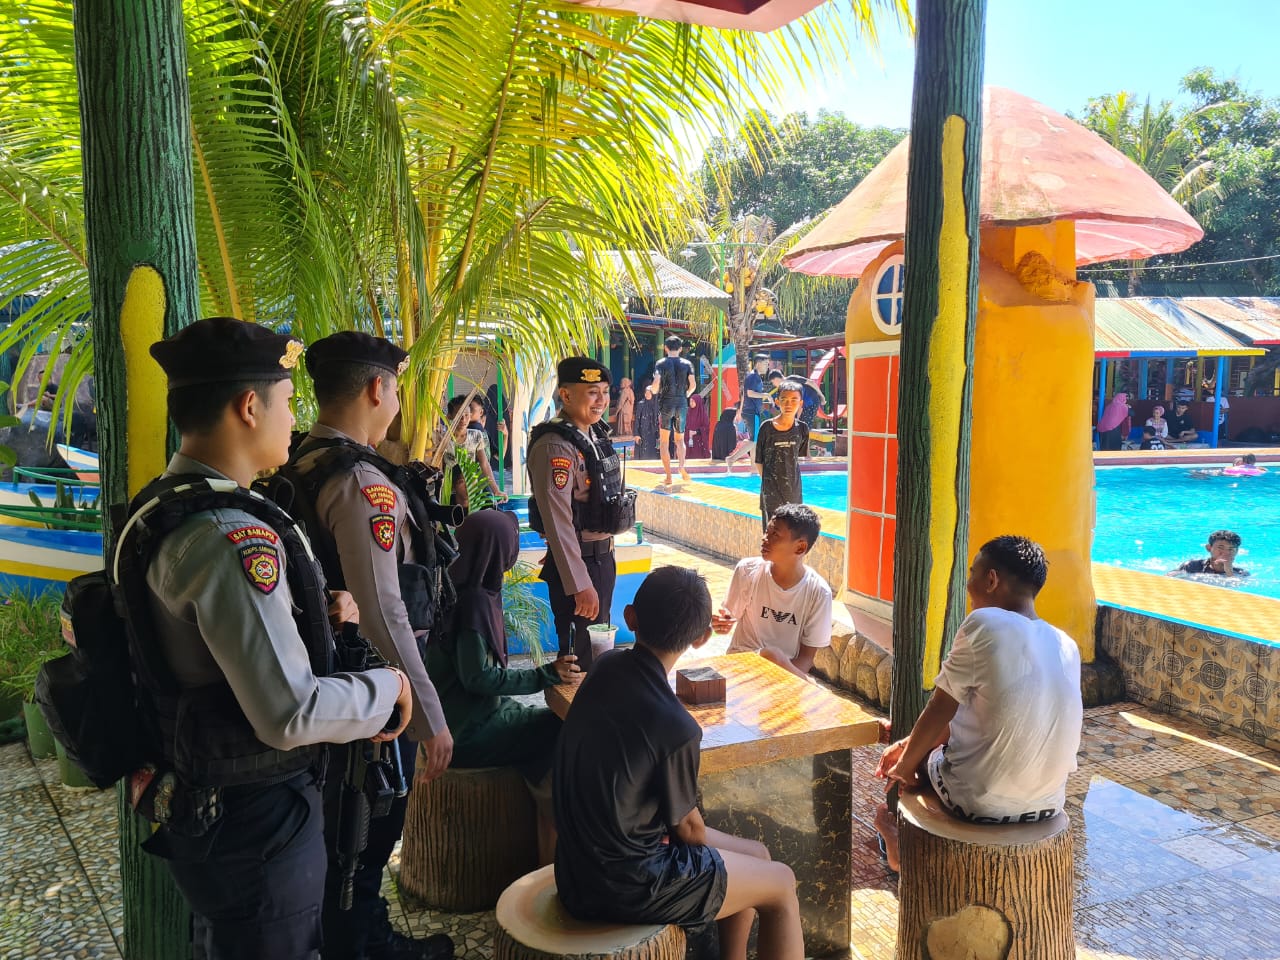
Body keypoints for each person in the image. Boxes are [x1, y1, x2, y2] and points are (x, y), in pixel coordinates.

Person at [139, 317, 414, 960]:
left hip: (210, 807)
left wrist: (313, 613)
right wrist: (388, 688)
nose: (295, 420)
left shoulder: (163, 505)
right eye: (288, 402)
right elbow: (291, 712)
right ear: (248, 407)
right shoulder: (232, 538)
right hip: (254, 820)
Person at [288, 331, 455, 960]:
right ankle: (362, 945)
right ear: (377, 389)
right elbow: (384, 608)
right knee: (365, 829)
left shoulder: (302, 462)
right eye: (396, 389)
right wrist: (428, 717)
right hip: (376, 693)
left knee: (344, 831)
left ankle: (357, 935)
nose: (397, 403)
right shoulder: (362, 483)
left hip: (332, 679)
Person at [553, 566, 805, 960]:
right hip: (628, 885)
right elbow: (690, 831)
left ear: (630, 617)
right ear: (702, 638)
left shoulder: (604, 667)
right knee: (782, 884)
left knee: (755, 857)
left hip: (574, 868)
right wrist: (748, 848)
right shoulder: (677, 726)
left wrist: (750, 851)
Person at [873, 536, 1083, 873]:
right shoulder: (1066, 644)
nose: (968, 583)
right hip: (1049, 803)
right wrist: (909, 743)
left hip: (977, 803)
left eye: (972, 573)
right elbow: (984, 714)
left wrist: (906, 765)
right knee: (925, 745)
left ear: (991, 579)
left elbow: (941, 707)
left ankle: (902, 845)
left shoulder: (985, 622)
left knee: (919, 762)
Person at [425, 509, 582, 862]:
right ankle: (555, 839)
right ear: (498, 551)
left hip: (455, 719)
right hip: (467, 734)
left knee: (541, 724)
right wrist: (546, 674)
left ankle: (547, 826)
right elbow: (479, 678)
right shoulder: (475, 603)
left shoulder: (453, 586)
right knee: (561, 728)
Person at [528, 357, 634, 670]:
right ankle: (575, 704)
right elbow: (558, 519)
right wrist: (579, 583)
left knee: (597, 650)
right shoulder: (555, 446)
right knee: (580, 658)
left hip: (600, 558)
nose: (601, 400)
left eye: (605, 392)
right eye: (592, 392)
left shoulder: (591, 433)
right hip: (583, 565)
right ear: (566, 395)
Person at [711, 504, 832, 680]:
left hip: (783, 672)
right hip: (740, 665)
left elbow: (806, 658)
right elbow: (725, 621)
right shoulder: (747, 571)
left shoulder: (819, 592)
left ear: (800, 548)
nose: (764, 538)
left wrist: (781, 679)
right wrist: (720, 625)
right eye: (767, 532)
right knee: (771, 654)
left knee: (773, 656)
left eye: (775, 535)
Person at [755, 378, 809, 529]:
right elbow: (759, 461)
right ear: (777, 402)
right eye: (784, 400)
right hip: (771, 495)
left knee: (792, 535)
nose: (789, 404)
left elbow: (796, 457)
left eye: (794, 400)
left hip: (794, 492)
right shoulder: (767, 428)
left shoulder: (802, 429)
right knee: (772, 536)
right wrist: (769, 485)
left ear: (801, 403)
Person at [650, 335, 697, 485]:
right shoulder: (687, 364)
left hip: (666, 403)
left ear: (665, 348)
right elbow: (693, 385)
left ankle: (669, 476)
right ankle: (681, 467)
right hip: (681, 403)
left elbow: (657, 382)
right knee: (680, 439)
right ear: (681, 348)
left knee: (664, 441)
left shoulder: (661, 363)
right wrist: (686, 395)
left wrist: (653, 390)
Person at [1171, 530, 1249, 577]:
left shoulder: (1241, 573)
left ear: (1236, 551)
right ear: (1209, 548)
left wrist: (1229, 572)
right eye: (1220, 547)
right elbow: (1169, 578)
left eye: (1231, 549)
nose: (1226, 552)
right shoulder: (1192, 566)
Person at [735, 354, 771, 442]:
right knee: (754, 440)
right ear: (758, 364)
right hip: (752, 412)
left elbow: (744, 394)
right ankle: (737, 452)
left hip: (750, 412)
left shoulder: (754, 376)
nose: (767, 366)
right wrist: (766, 395)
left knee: (753, 439)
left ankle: (748, 452)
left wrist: (740, 411)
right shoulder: (753, 376)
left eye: (768, 364)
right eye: (765, 364)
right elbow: (749, 393)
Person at [634, 385, 660, 460]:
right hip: (643, 433)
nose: (647, 394)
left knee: (654, 455)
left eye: (649, 393)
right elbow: (637, 420)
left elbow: (659, 421)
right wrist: (636, 434)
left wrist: (660, 435)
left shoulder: (656, 405)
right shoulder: (641, 404)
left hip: (653, 434)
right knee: (643, 454)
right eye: (646, 393)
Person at [685, 393, 711, 460]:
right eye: (690, 401)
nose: (691, 403)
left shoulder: (703, 414)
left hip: (699, 441)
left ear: (698, 402)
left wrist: (696, 432)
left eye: (693, 401)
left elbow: (706, 428)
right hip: (688, 439)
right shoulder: (688, 412)